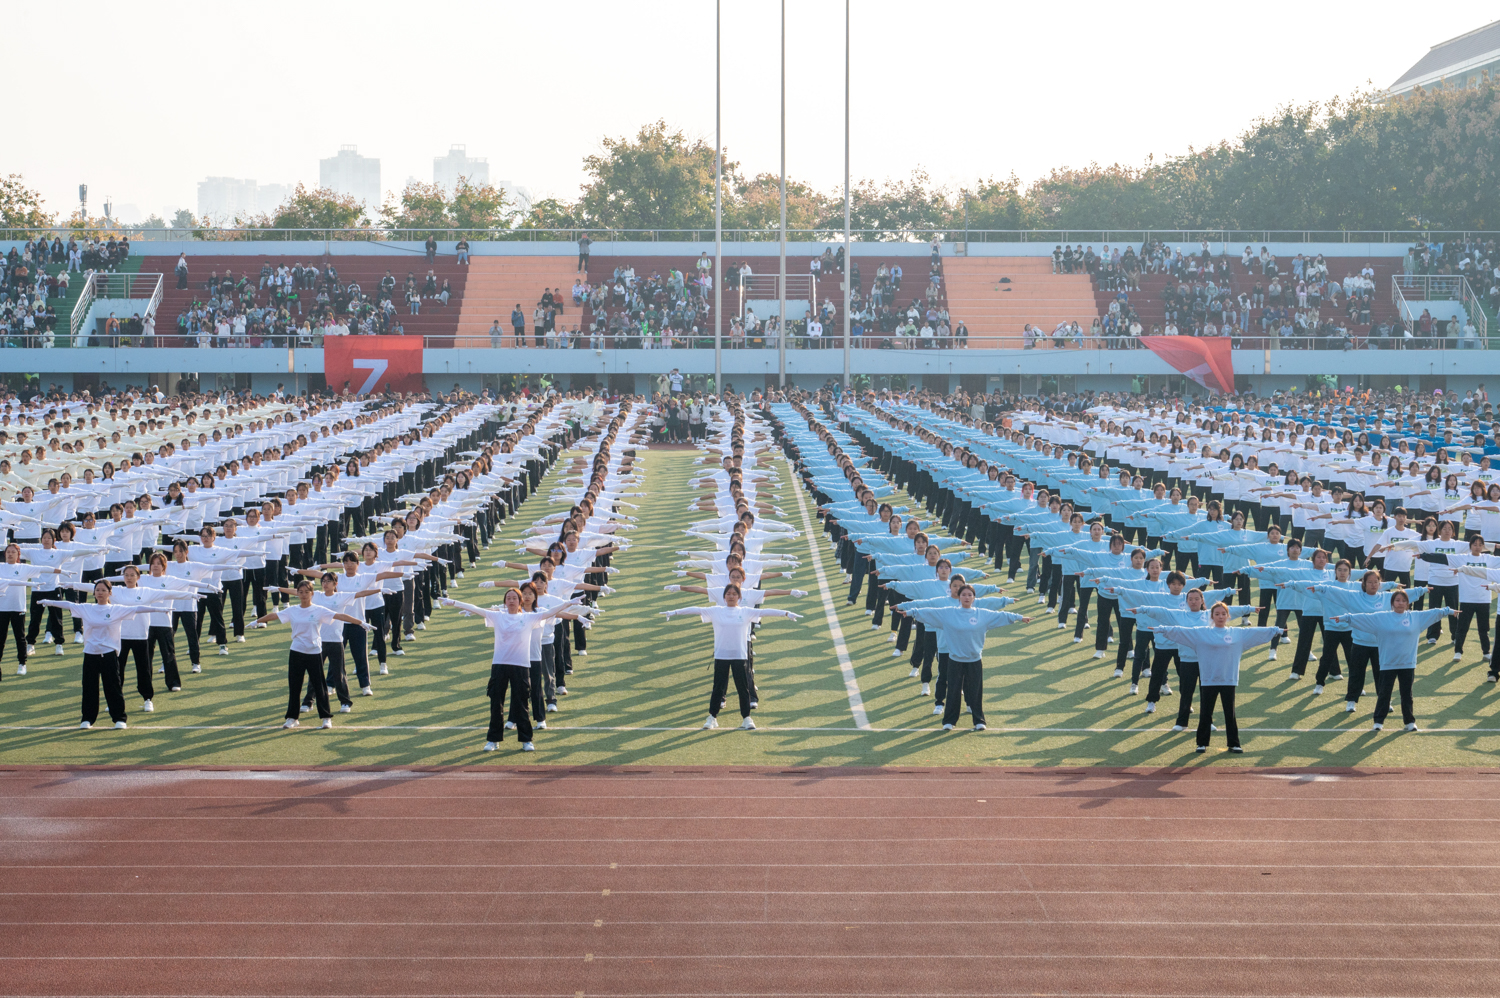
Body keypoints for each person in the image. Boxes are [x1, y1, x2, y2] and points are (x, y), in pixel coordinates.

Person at [440, 589, 582, 752]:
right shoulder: (498, 616)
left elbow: (550, 612)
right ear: (505, 601)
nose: (511, 600)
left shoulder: (529, 618)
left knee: (521, 704)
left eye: (515, 598)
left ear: (520, 601)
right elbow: (476, 608)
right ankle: (493, 740)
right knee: (496, 703)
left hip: (521, 666)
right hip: (499, 664)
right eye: (508, 598)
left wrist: (569, 603)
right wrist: (454, 603)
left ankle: (526, 740)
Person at [661, 585, 801, 730]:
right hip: (721, 655)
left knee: (743, 688)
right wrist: (675, 612)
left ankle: (747, 718)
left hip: (739, 655)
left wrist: (786, 613)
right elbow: (696, 609)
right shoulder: (716, 611)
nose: (731, 596)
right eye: (728, 593)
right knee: (718, 688)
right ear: (724, 597)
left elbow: (765, 612)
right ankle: (712, 717)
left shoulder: (745, 612)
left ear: (739, 597)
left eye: (734, 594)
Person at [1149, 602, 1282, 753]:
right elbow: (1182, 631)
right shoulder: (1202, 633)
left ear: (1228, 616)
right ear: (1211, 616)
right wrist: (1162, 629)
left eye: (1223, 614)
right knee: (1206, 712)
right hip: (1208, 679)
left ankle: (1234, 743)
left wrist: (1275, 630)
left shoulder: (1237, 633)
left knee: (1229, 712)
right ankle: (1202, 743)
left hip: (1228, 679)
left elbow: (1256, 632)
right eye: (1217, 614)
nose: (1220, 617)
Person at [902, 585, 1031, 730]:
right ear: (959, 597)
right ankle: (949, 721)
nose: (967, 597)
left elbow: (1001, 616)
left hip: (974, 660)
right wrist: (912, 612)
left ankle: (979, 721)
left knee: (975, 691)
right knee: (953, 691)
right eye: (964, 594)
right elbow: (930, 612)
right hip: (955, 660)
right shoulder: (949, 613)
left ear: (974, 598)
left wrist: (1020, 618)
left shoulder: (982, 614)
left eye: (970, 595)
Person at [38, 580, 161, 730]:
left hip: (109, 653)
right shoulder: (87, 608)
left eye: (103, 590)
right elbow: (68, 604)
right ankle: (87, 719)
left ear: (110, 593)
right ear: (94, 593)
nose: (100, 593)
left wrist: (159, 610)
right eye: (97, 590)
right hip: (90, 653)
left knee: (113, 687)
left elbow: (138, 608)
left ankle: (119, 718)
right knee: (89, 687)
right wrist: (48, 602)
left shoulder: (116, 609)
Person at [253, 579, 372, 730]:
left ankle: (326, 717)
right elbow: (274, 616)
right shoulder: (292, 610)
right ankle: (292, 718)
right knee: (294, 686)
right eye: (300, 592)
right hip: (296, 651)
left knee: (320, 686)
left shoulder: (318, 610)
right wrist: (257, 621)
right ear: (297, 593)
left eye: (306, 592)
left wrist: (360, 622)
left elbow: (340, 616)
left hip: (314, 651)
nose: (303, 595)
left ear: (312, 594)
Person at [1330, 590, 1455, 731]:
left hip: (1408, 663)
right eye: (1397, 600)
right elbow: (1363, 618)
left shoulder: (1416, 617)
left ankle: (1409, 722)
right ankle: (1378, 722)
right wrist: (1345, 618)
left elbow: (1434, 613)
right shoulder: (1382, 618)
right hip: (1387, 663)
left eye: (1403, 600)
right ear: (1392, 603)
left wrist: (1449, 611)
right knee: (1384, 693)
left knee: (1406, 694)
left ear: (1408, 603)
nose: (1400, 603)